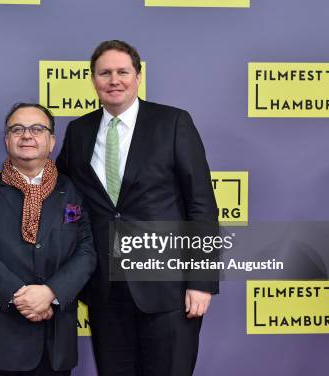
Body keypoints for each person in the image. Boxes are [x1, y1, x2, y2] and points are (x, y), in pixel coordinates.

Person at [56, 40, 219, 376]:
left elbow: (201, 204)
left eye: (122, 72)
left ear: (138, 77)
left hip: (168, 289)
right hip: (104, 289)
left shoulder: (173, 123)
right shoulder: (79, 131)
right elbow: (57, 190)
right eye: (105, 73)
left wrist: (201, 281)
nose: (114, 80)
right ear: (93, 80)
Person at [0, 103, 96, 376]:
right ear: (6, 139)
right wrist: (20, 296)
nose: (27, 135)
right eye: (17, 129)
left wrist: (50, 293)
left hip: (54, 344)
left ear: (51, 140)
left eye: (37, 129)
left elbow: (86, 252)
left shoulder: (73, 191)